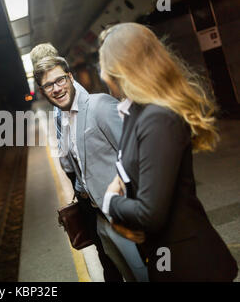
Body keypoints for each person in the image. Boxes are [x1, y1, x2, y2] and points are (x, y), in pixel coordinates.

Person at [99, 22, 238, 281]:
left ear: (121, 67)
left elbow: (150, 214)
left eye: (104, 62)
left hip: (192, 266)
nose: (102, 72)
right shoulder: (135, 112)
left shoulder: (157, 118)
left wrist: (111, 202)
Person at [31, 44, 148, 282]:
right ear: (42, 90)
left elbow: (136, 157)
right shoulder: (61, 114)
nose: (57, 88)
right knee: (117, 270)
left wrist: (137, 208)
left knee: (142, 272)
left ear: (70, 77)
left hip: (121, 212)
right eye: (49, 85)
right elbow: (72, 161)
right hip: (95, 212)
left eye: (60, 80)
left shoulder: (99, 105)